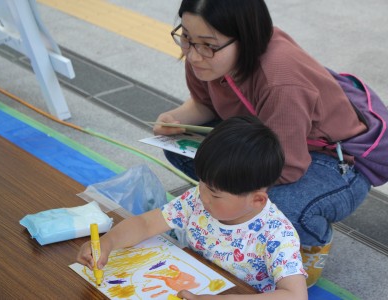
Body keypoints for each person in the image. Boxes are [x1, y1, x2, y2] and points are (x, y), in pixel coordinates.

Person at [152, 0, 371, 287]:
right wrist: (174, 118)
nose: (193, 55)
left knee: (282, 205)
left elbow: (289, 166)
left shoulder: (281, 80)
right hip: (265, 136)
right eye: (186, 38)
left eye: (206, 44)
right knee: (181, 148)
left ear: (244, 38)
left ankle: (308, 241)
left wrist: (232, 187)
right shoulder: (206, 54)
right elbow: (206, 104)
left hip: (332, 160)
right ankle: (231, 208)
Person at [77, 116, 308, 299]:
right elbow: (146, 223)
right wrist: (108, 243)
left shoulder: (277, 234)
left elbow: (295, 295)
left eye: (215, 194)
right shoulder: (197, 199)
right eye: (201, 184)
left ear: (256, 200)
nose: (203, 196)